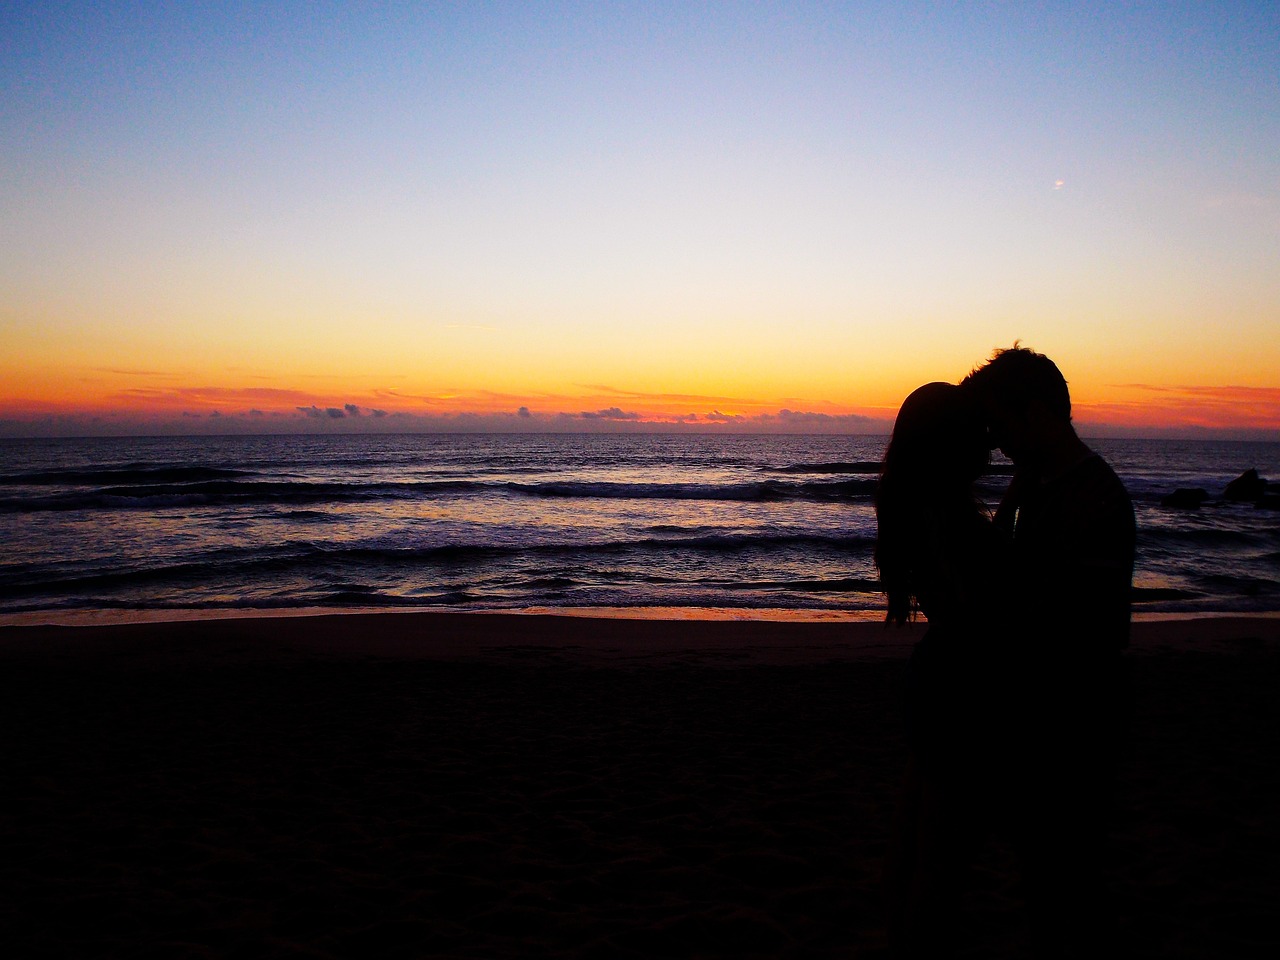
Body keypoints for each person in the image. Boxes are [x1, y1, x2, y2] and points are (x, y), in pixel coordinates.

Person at [961, 345, 1136, 957]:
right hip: (1050, 714)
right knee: (1046, 875)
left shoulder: (1094, 497)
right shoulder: (1042, 486)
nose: (997, 444)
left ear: (1035, 414)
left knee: (1070, 877)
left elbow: (1078, 628)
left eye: (1001, 426)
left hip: (1075, 718)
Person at [875, 381, 1011, 959]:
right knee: (940, 854)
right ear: (949, 443)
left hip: (938, 677)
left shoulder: (922, 504)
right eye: (977, 433)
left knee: (919, 837)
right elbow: (972, 605)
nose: (991, 443)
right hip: (957, 686)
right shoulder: (944, 515)